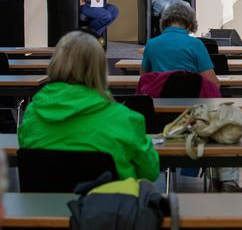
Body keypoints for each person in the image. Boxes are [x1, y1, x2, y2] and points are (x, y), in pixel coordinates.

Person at [18, 31, 159, 181]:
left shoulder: (32, 114)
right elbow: (150, 173)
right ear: (100, 69)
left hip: (44, 204)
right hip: (108, 203)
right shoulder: (126, 119)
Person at [141, 2, 242, 192]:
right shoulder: (195, 44)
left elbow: (143, 82)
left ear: (164, 22)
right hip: (193, 120)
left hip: (159, 122)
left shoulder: (152, 45)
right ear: (190, 23)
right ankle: (227, 181)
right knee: (224, 122)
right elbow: (213, 83)